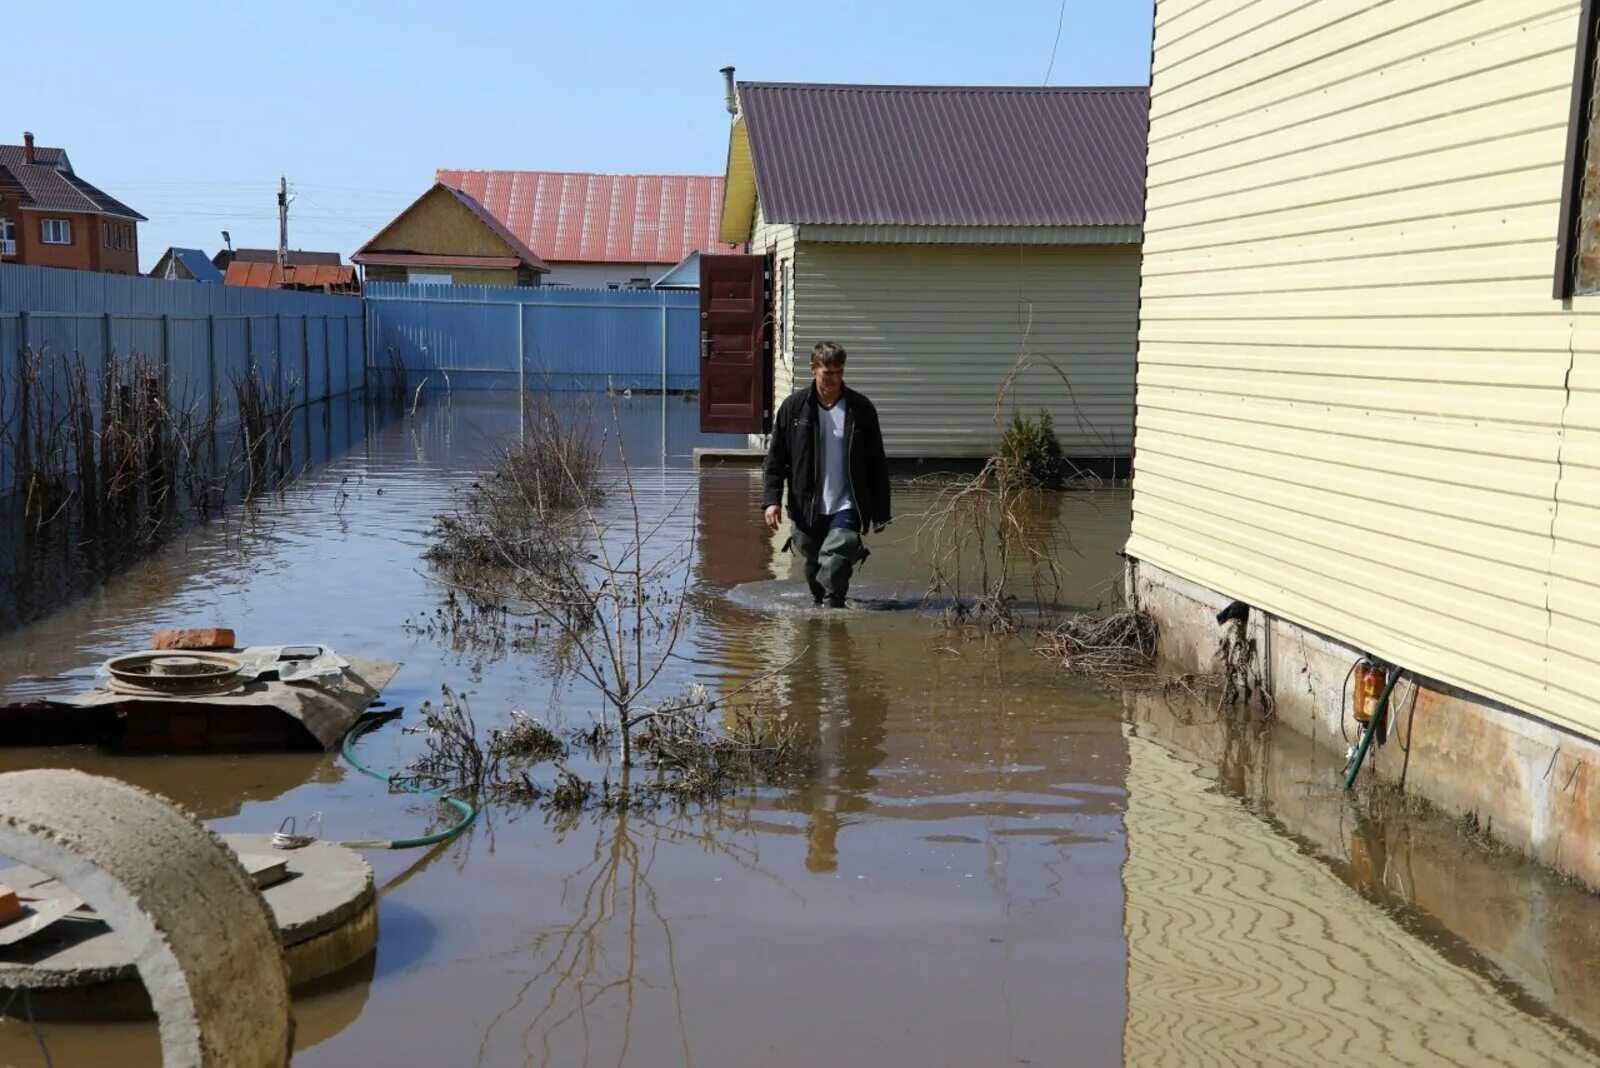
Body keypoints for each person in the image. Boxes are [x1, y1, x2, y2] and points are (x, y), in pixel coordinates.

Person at [762, 340, 891, 608]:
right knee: (814, 564)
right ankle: (820, 614)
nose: (834, 378)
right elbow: (776, 459)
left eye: (839, 372)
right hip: (806, 502)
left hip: (848, 501)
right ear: (813, 369)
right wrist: (771, 500)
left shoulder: (860, 409)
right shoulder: (794, 409)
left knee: (834, 557)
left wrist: (881, 512)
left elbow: (876, 463)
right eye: (828, 372)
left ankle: (835, 616)